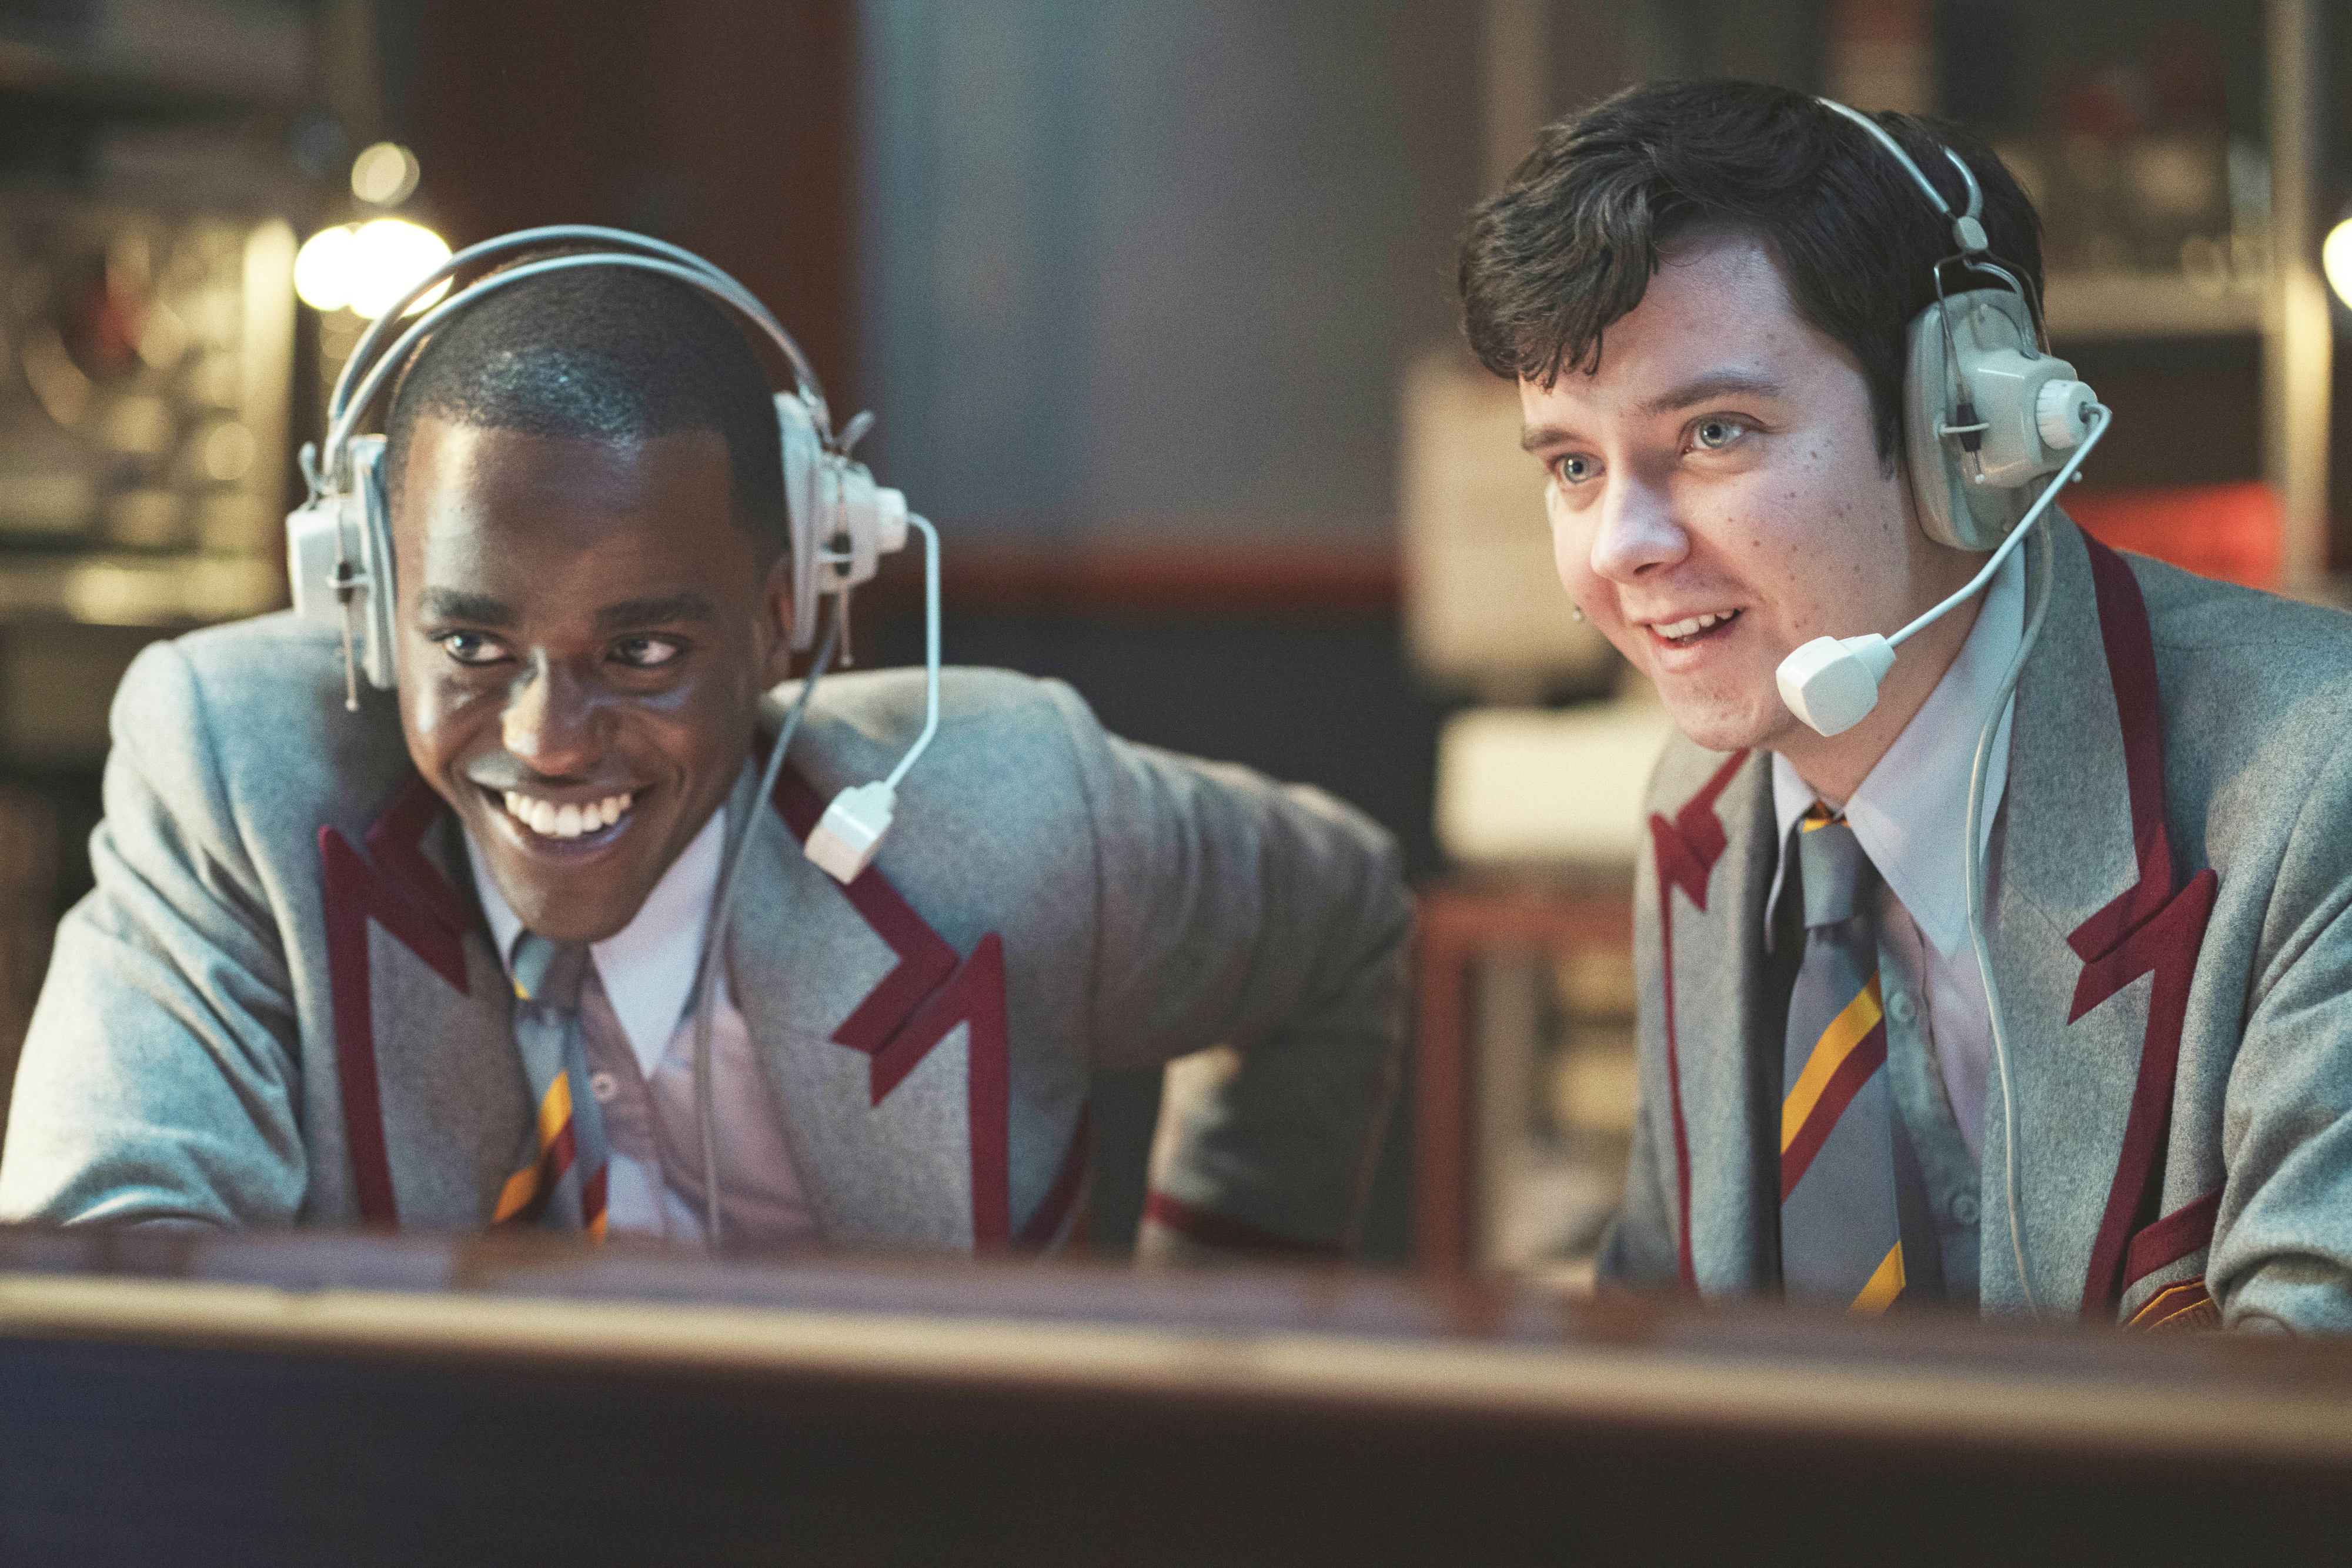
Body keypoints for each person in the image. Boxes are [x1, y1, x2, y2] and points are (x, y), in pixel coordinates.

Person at [0, 258, 1408, 1260]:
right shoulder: (232, 770)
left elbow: (1343, 917)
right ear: (363, 599)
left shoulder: (1024, 810)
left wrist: (1201, 1387)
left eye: (643, 652)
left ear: (788, 608)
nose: (549, 740)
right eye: (476, 648)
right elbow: (102, 1288)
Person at [1458, 79, 2352, 1330]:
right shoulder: (1704, 808)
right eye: (1571, 464)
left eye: (1714, 431)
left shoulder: (2317, 779)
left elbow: (2298, 1444)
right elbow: (1661, 1339)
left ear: (1969, 433)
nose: (1619, 547)